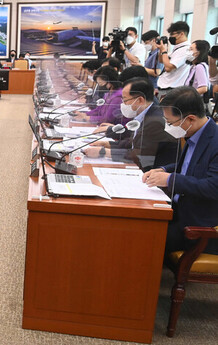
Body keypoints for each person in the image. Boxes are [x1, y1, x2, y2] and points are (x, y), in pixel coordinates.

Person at [143, 86, 218, 255]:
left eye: (170, 122)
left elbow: (213, 186)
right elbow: (188, 166)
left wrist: (170, 179)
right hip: (176, 212)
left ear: (190, 119)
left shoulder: (215, 141)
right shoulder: (194, 133)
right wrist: (162, 170)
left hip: (197, 225)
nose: (167, 126)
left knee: (144, 238)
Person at [84, 77, 177, 171]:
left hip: (150, 174)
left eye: (125, 100)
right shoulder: (144, 114)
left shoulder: (155, 121)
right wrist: (106, 144)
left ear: (140, 100)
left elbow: (139, 155)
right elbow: (131, 143)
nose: (122, 104)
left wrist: (103, 152)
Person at [157, 21, 193, 99]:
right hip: (165, 87)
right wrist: (161, 50)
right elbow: (161, 61)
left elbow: (168, 68)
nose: (171, 37)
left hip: (171, 89)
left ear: (182, 34)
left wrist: (164, 51)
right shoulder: (177, 48)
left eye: (173, 34)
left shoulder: (185, 50)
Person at [184, 40, 211, 105]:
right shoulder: (194, 67)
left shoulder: (199, 67)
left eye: (191, 49)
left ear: (198, 53)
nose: (188, 52)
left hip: (195, 103)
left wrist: (185, 96)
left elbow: (203, 88)